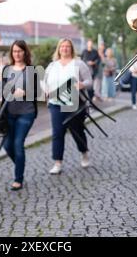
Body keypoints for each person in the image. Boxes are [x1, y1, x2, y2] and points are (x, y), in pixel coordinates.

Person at [44, 38, 93, 175]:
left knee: (77, 130)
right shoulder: (52, 65)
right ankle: (57, 162)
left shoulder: (79, 64)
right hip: (56, 103)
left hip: (75, 104)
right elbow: (45, 81)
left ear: (71, 49)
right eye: (62, 47)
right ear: (58, 49)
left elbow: (89, 81)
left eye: (67, 47)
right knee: (57, 133)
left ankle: (84, 153)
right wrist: (46, 89)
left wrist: (82, 85)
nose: (64, 49)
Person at [2, 40, 39, 191]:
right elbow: (3, 89)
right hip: (9, 113)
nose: (17, 54)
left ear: (25, 52)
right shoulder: (7, 69)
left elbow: (38, 92)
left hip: (26, 113)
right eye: (14, 51)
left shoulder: (32, 70)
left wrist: (25, 93)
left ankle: (18, 179)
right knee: (7, 145)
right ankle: (20, 163)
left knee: (18, 144)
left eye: (19, 51)